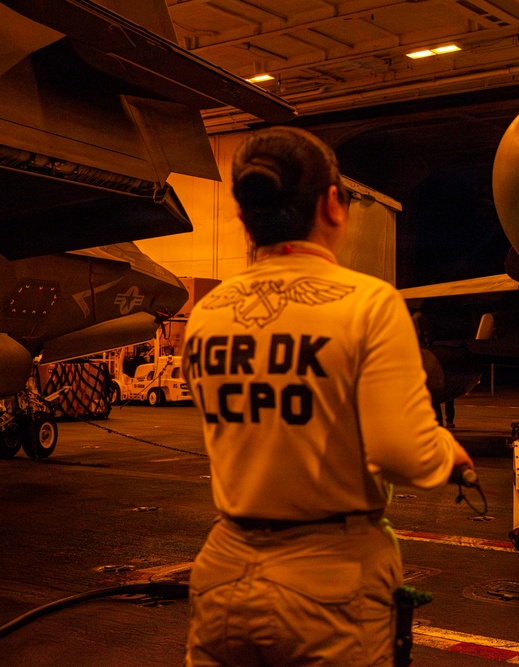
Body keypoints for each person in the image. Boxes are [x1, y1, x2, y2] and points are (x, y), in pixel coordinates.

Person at [181, 126, 472, 666]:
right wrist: (446, 454)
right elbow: (401, 453)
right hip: (330, 579)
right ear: (333, 204)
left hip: (223, 570)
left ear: (244, 215)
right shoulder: (368, 304)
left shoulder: (208, 313)